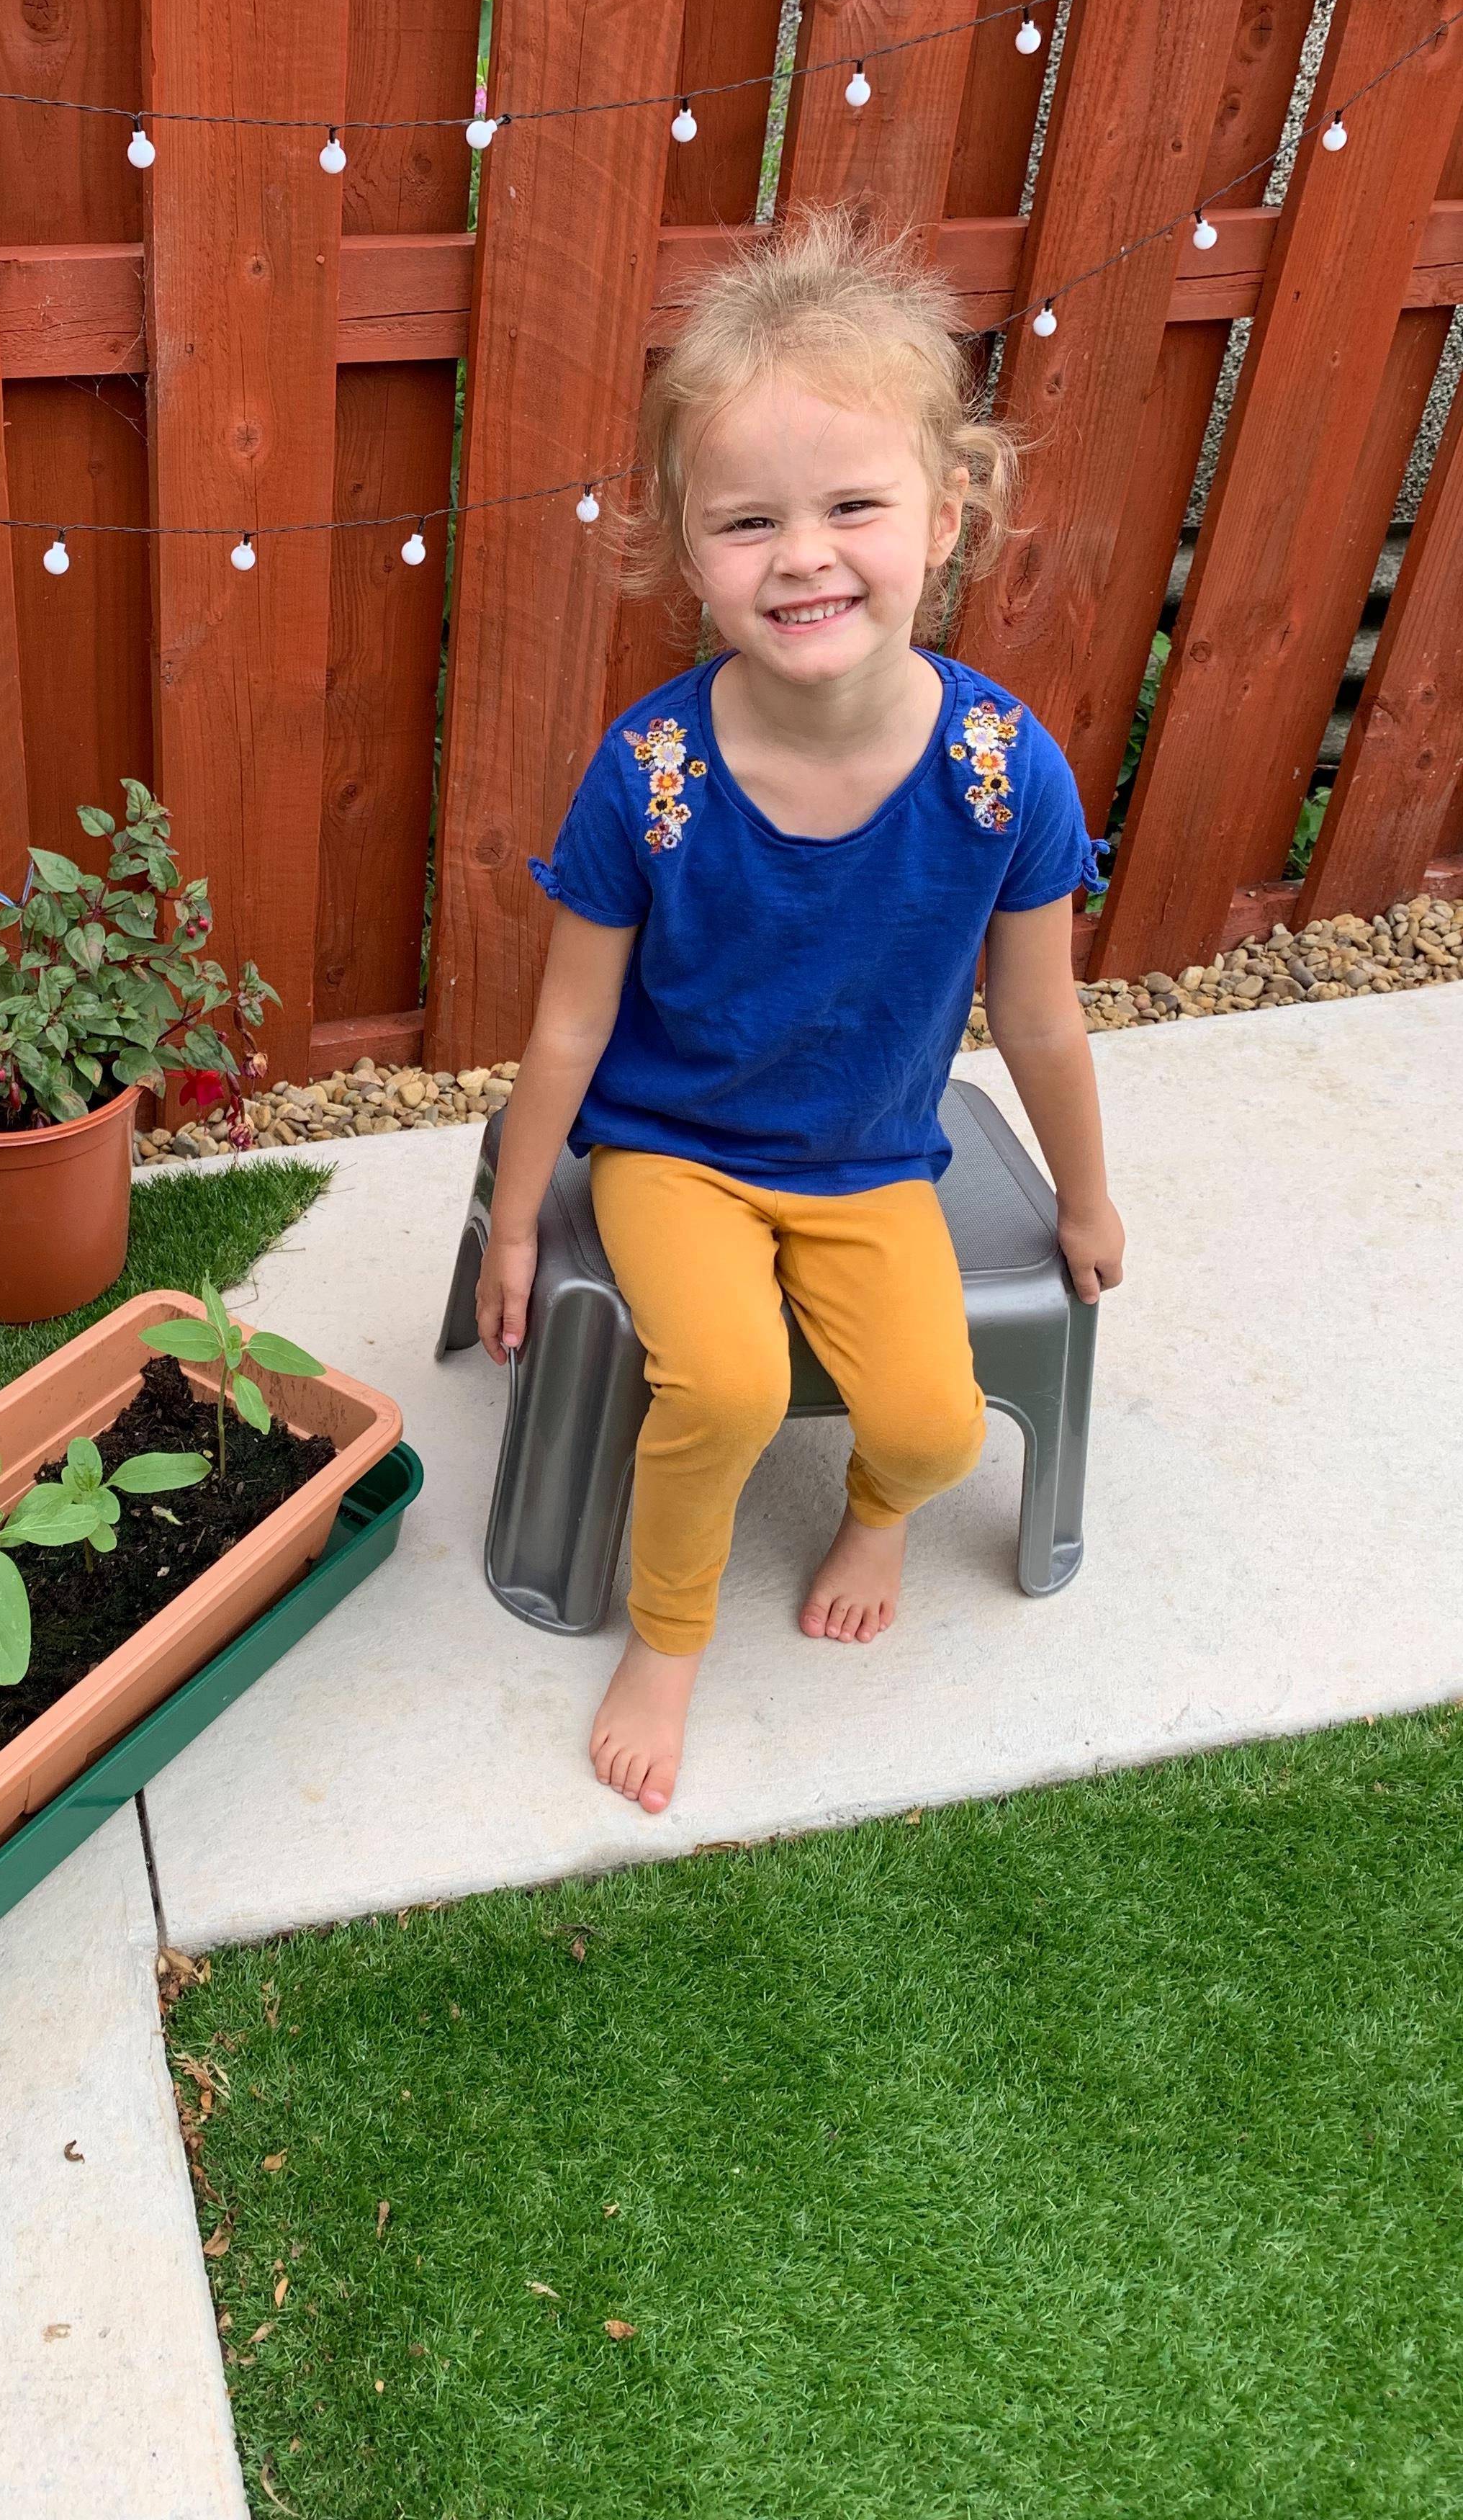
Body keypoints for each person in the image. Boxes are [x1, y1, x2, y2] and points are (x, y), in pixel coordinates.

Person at [474, 207, 1125, 1816]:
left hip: (866, 1157)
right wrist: (509, 1225)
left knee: (930, 1423)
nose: (805, 555)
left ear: (950, 508)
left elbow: (1040, 1020)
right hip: (672, 1147)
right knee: (733, 1386)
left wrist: (1091, 1196)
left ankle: (879, 1521)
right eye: (748, 522)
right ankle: (671, 1635)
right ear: (685, 545)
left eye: (853, 504)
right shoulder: (653, 774)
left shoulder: (1000, 771)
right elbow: (565, 1030)